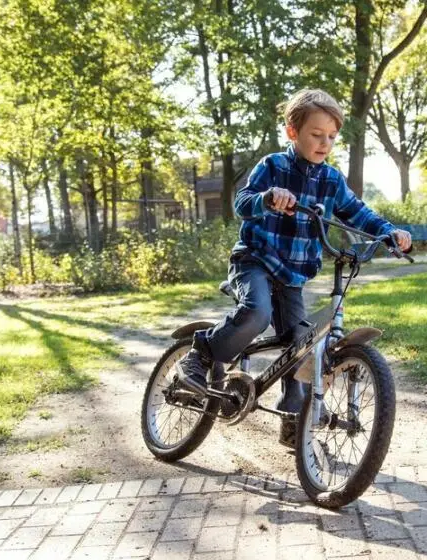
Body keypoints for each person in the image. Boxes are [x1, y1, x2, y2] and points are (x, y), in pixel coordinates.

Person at [176, 88, 412, 448]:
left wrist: (389, 232)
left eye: (331, 137)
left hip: (292, 276)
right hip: (254, 260)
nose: (325, 143)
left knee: (302, 343)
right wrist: (268, 198)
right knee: (257, 313)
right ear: (292, 132)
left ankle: (293, 416)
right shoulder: (273, 166)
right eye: (317, 135)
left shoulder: (331, 181)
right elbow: (242, 202)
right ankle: (202, 352)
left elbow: (358, 213)